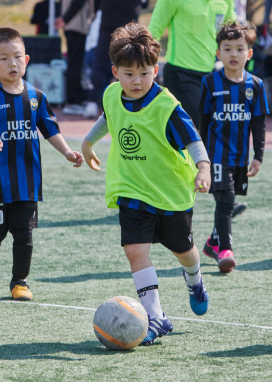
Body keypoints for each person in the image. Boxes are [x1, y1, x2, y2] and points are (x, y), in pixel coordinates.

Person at [81, 23, 212, 346]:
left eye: (144, 73)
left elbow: (194, 140)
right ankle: (156, 317)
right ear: (115, 72)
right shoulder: (113, 94)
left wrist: (203, 167)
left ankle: (194, 280)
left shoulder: (167, 108)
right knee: (135, 251)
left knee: (185, 252)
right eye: (128, 74)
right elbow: (108, 117)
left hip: (170, 195)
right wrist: (87, 143)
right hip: (131, 190)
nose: (136, 81)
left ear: (156, 69)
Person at [0, 28, 84, 301]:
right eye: (4, 58)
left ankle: (19, 281)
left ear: (27, 60)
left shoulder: (36, 97)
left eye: (17, 57)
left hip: (27, 183)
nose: (12, 63)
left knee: (24, 235)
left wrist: (67, 152)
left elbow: (51, 130)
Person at [199, 22, 268, 273]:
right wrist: (200, 158)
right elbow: (203, 121)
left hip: (240, 156)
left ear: (249, 53)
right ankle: (225, 250)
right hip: (215, 156)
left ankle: (211, 242)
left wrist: (258, 156)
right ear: (218, 53)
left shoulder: (256, 85)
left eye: (240, 49)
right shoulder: (209, 83)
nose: (233, 54)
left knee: (225, 202)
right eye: (227, 49)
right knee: (226, 200)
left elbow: (259, 123)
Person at [148, 0, 235, 128]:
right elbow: (154, 30)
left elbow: (231, 34)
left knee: (208, 129)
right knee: (193, 129)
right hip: (180, 73)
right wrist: (144, 67)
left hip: (210, 73)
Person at [81, 0, 151, 119]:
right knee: (130, 65)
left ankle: (92, 102)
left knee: (99, 64)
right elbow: (145, 2)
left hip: (107, 27)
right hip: (130, 29)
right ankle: (129, 102)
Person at [55, 0, 98, 115]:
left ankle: (75, 97)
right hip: (76, 23)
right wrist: (66, 18)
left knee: (74, 62)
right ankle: (74, 100)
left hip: (71, 24)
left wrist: (64, 18)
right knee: (75, 63)